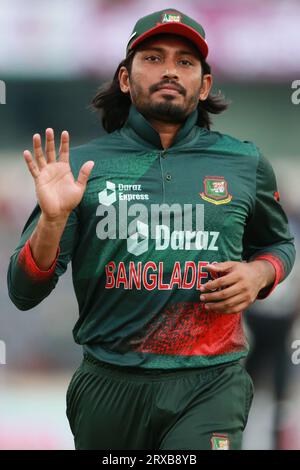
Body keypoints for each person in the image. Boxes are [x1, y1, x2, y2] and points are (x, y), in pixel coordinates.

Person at [7, 8, 295, 450]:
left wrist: (260, 274)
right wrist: (52, 218)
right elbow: (24, 291)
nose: (169, 72)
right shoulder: (84, 168)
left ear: (204, 85)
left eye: (184, 62)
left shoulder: (245, 162)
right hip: (109, 384)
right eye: (153, 58)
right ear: (125, 78)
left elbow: (278, 243)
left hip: (210, 383)